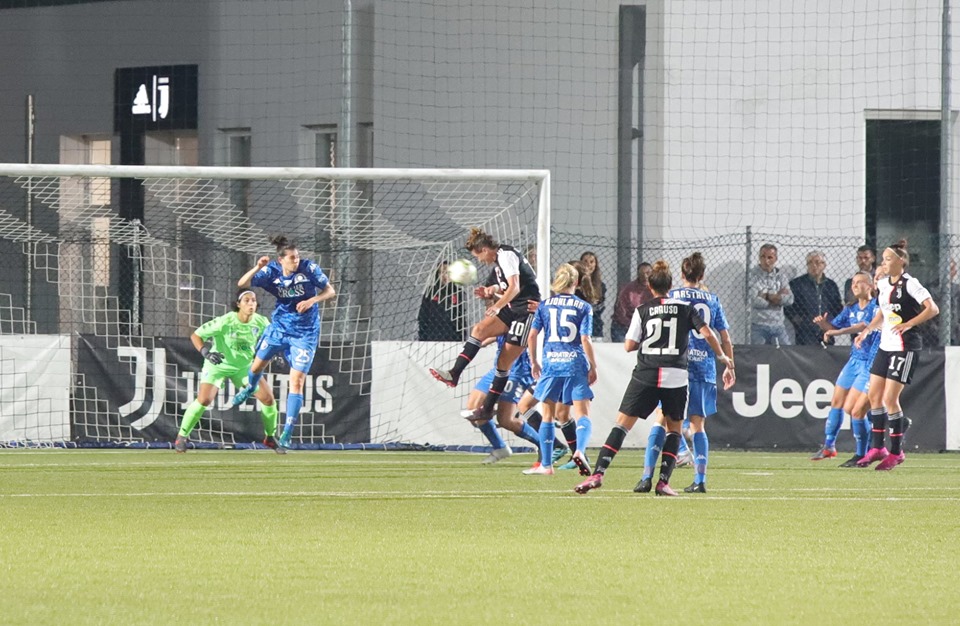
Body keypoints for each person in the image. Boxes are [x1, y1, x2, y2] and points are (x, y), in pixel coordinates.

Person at [574, 260, 734, 496]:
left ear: (650, 286)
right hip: (677, 375)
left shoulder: (644, 309)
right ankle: (663, 482)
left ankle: (599, 473)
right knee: (675, 429)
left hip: (647, 373)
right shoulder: (685, 308)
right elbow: (709, 333)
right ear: (670, 285)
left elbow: (629, 345)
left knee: (622, 425)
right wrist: (722, 357)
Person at [637, 252, 735, 493]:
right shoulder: (712, 299)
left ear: (681, 274)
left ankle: (646, 476)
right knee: (698, 425)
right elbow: (724, 336)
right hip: (704, 368)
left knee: (661, 420)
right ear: (702, 275)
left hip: (675, 365)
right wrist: (729, 364)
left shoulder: (672, 296)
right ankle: (700, 481)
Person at [230, 235, 337, 448]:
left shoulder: (309, 269)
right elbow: (242, 284)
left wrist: (312, 300)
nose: (296, 261)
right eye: (291, 258)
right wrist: (257, 266)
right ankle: (250, 387)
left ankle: (287, 431)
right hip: (279, 329)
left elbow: (330, 291)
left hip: (305, 333)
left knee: (296, 381)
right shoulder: (271, 272)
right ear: (281, 260)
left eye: (297, 257)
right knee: (257, 366)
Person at [429, 227, 541, 426]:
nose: (480, 261)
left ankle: (487, 409)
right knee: (479, 330)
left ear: (484, 249)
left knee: (503, 363)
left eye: (477, 256)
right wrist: (492, 290)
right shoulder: (499, 262)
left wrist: (497, 306)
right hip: (514, 307)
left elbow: (515, 287)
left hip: (526, 312)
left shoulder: (506, 255)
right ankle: (455, 373)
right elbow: (508, 286)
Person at [854, 244, 939, 470]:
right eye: (883, 259)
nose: (884, 263)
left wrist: (909, 323)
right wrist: (867, 330)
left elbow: (932, 309)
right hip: (886, 345)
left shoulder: (911, 283)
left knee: (890, 399)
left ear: (901, 262)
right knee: (874, 396)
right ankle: (877, 448)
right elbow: (883, 311)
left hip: (905, 346)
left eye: (888, 259)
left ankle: (895, 452)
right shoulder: (883, 284)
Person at [175, 289, 283, 453]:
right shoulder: (225, 321)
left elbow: (271, 339)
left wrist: (275, 354)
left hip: (244, 367)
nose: (251, 303)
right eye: (246, 300)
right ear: (238, 304)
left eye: (253, 300)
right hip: (218, 365)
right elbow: (196, 335)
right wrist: (206, 352)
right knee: (204, 400)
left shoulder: (261, 322)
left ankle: (270, 437)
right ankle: (182, 437)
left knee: (268, 399)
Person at [524, 263, 597, 476]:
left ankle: (546, 465)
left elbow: (531, 335)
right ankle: (580, 452)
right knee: (582, 413)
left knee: (547, 415)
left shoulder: (544, 306)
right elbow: (585, 338)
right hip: (575, 364)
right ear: (576, 282)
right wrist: (593, 366)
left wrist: (534, 362)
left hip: (551, 364)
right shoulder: (584, 307)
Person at [809, 270, 880, 466]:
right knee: (837, 401)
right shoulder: (850, 308)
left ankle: (862, 452)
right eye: (853, 283)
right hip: (854, 361)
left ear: (871, 286)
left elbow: (862, 326)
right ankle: (829, 446)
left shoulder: (877, 306)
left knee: (855, 410)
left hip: (870, 363)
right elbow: (832, 328)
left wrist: (837, 330)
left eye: (860, 282)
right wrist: (824, 325)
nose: (855, 286)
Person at [786, 250, 843, 345]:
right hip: (805, 331)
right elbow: (788, 307)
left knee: (827, 355)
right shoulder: (797, 284)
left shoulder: (830, 285)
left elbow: (837, 306)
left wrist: (831, 324)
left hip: (826, 329)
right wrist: (798, 321)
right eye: (810, 263)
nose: (814, 265)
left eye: (817, 262)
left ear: (824, 265)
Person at [749, 243, 794, 345]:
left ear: (775, 259)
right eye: (763, 257)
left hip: (778, 325)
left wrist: (765, 295)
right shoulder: (751, 276)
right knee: (757, 356)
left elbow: (790, 299)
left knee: (786, 354)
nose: (766, 261)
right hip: (758, 326)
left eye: (770, 257)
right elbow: (755, 302)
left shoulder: (781, 277)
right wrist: (777, 297)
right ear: (759, 257)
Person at [418, 261, 465, 342]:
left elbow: (461, 318)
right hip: (431, 336)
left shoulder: (458, 292)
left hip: (452, 337)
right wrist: (423, 337)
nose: (444, 276)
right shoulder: (431, 291)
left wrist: (460, 337)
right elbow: (423, 315)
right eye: (441, 272)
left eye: (447, 272)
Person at [610, 262, 653, 343]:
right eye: (641, 273)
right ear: (637, 274)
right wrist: (635, 326)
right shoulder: (628, 290)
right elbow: (621, 312)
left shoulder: (655, 289)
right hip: (623, 326)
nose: (645, 276)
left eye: (648, 273)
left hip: (646, 326)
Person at [579, 251, 607, 340]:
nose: (588, 265)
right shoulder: (576, 284)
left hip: (595, 325)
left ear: (595, 265)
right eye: (585, 261)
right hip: (579, 324)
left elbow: (599, 306)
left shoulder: (601, 286)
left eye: (591, 262)